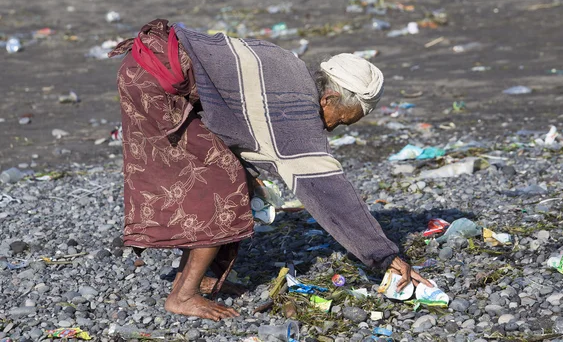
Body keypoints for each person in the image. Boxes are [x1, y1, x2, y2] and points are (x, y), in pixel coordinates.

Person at [110, 19, 432, 321]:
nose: (333, 129)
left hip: (149, 63)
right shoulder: (297, 113)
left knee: (233, 176)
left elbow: (234, 122)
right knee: (222, 189)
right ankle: (183, 295)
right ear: (330, 97)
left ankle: (201, 279)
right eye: (342, 119)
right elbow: (331, 194)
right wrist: (384, 255)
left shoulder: (291, 66)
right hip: (154, 78)